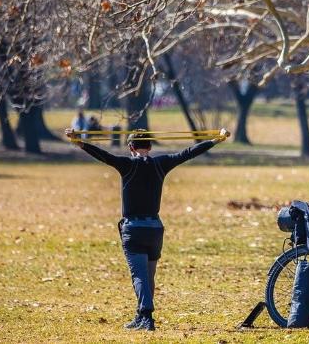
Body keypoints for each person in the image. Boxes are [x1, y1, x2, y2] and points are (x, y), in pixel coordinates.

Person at [65, 127, 230, 331]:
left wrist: (78, 141)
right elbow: (189, 152)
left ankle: (146, 316)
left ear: (131, 147)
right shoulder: (161, 163)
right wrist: (216, 139)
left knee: (139, 277)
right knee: (148, 276)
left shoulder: (126, 164)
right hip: (155, 229)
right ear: (150, 146)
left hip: (133, 230)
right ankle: (140, 315)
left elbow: (103, 155)